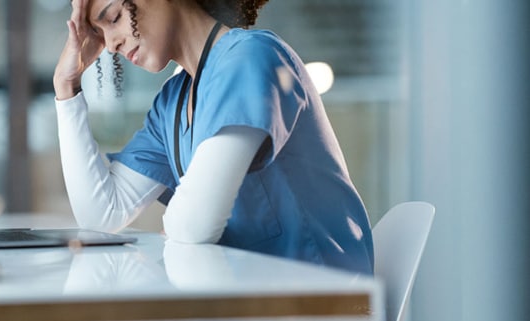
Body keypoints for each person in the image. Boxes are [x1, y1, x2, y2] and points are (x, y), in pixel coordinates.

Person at [52, 0, 374, 275]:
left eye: (113, 18)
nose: (110, 45)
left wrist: (182, 223)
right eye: (100, 32)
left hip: (321, 303)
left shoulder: (252, 58)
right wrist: (66, 86)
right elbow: (102, 213)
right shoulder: (173, 103)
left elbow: (195, 225)